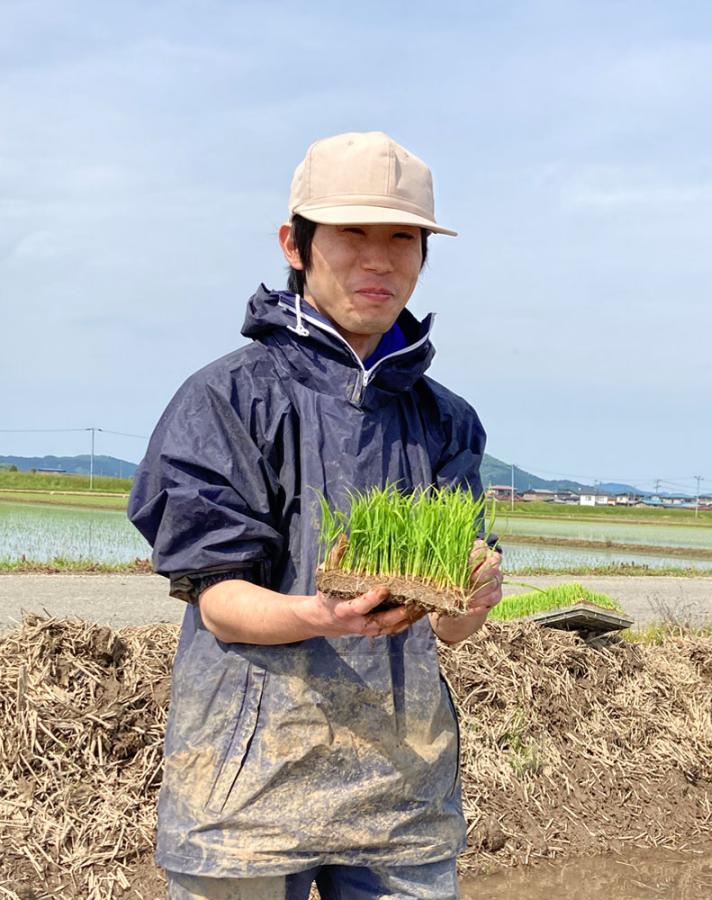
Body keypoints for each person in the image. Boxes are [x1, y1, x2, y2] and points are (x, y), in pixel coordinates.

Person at [128, 131, 503, 900]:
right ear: (293, 245)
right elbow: (220, 600)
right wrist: (319, 612)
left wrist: (472, 596)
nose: (379, 260)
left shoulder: (445, 421)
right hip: (244, 802)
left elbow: (451, 626)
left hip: (401, 798)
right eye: (351, 234)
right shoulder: (227, 400)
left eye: (402, 236)